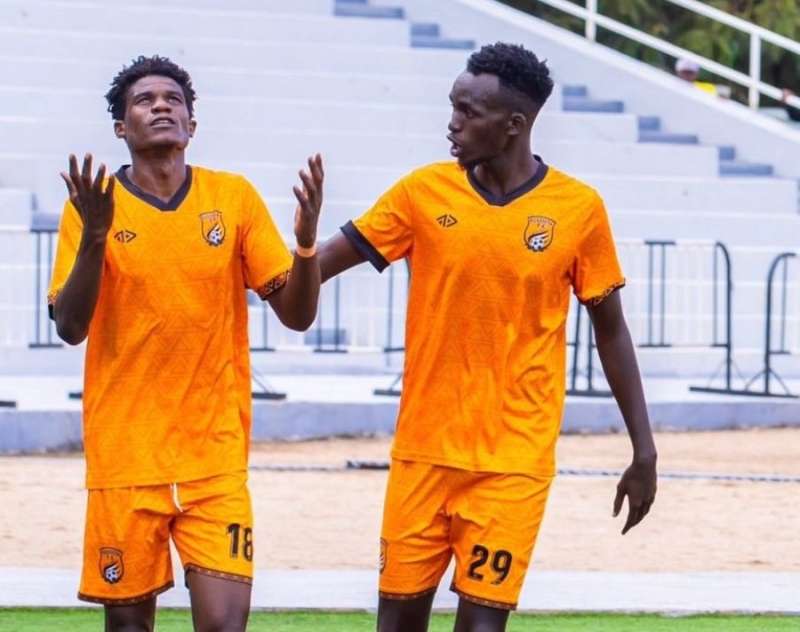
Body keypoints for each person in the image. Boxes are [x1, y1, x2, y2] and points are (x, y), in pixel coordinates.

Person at [316, 42, 658, 632]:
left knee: (482, 627)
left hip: (513, 461)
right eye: (452, 106)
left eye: (468, 112)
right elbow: (314, 267)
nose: (452, 123)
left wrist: (644, 449)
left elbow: (611, 330)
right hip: (422, 454)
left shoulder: (578, 209)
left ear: (513, 125)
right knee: (396, 625)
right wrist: (259, 263)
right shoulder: (421, 193)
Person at [48, 54, 324, 632]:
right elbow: (71, 327)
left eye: (174, 99)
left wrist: (304, 247)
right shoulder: (91, 209)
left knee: (225, 626)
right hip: (126, 457)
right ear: (121, 128)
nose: (161, 107)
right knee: (129, 628)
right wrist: (96, 234)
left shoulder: (233, 197)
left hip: (213, 458)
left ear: (192, 125)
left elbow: (296, 316)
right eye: (144, 101)